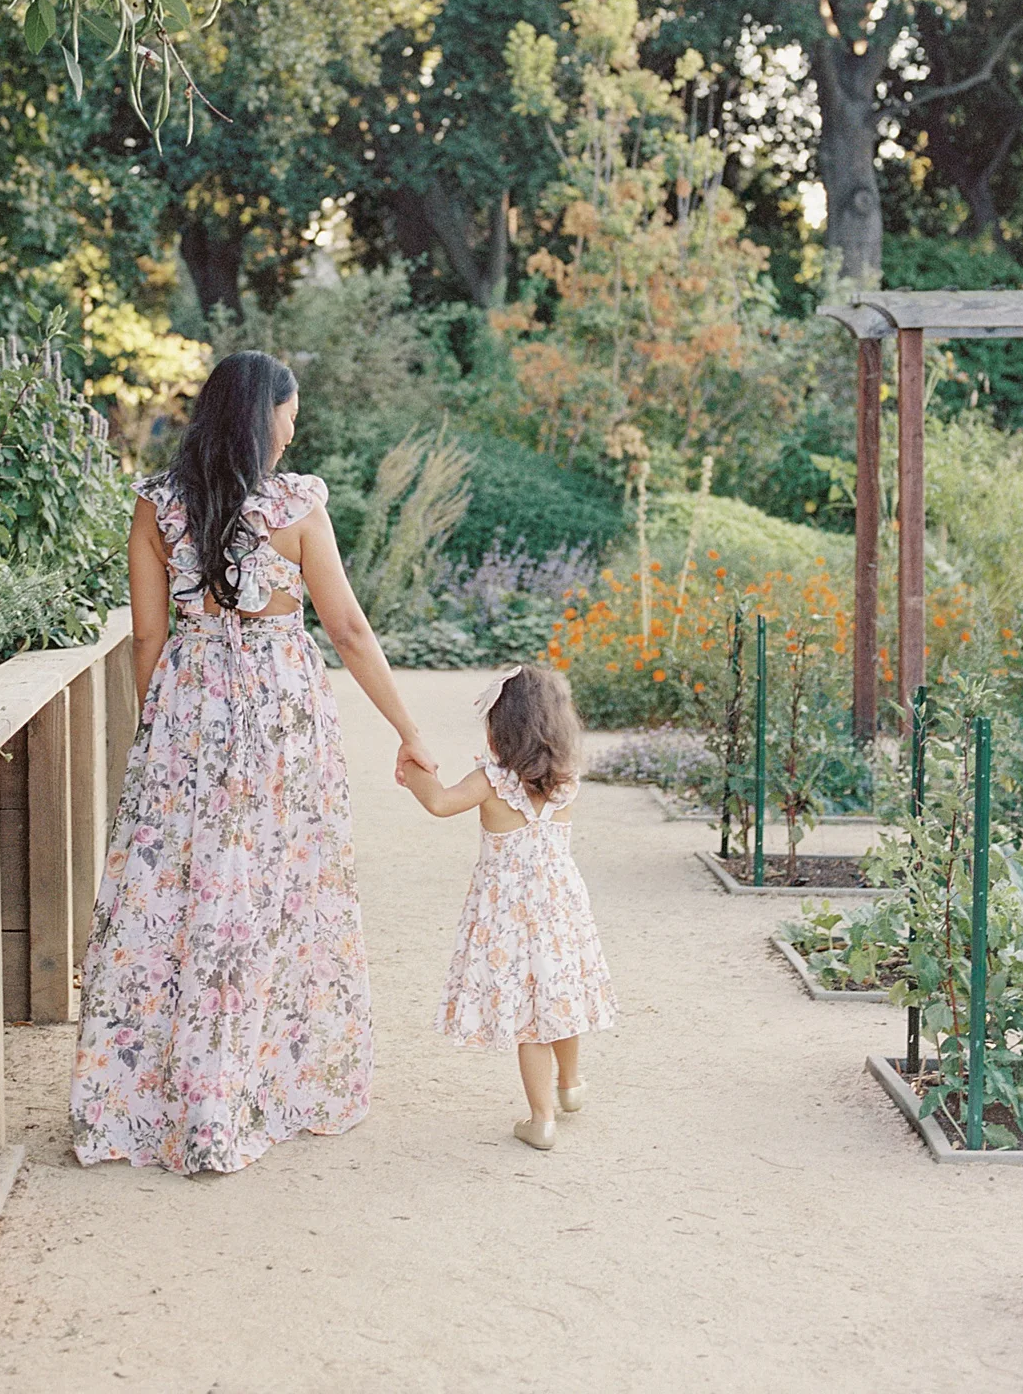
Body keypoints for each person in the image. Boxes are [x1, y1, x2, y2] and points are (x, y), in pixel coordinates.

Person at [71, 349, 437, 1175]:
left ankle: (167, 1097)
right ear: (262, 417)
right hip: (279, 717)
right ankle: (266, 1081)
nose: (293, 428)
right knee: (276, 887)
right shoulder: (297, 505)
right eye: (290, 415)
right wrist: (408, 730)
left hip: (188, 711)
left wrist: (155, 728)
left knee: (177, 893)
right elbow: (347, 631)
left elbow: (148, 637)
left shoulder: (157, 505)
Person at [401, 662, 616, 1152]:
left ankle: (541, 1119)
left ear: (502, 727)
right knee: (560, 994)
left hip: (509, 913)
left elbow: (438, 803)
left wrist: (413, 769)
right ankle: (571, 1084)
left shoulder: (491, 780)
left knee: (529, 1014)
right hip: (560, 906)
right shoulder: (566, 779)